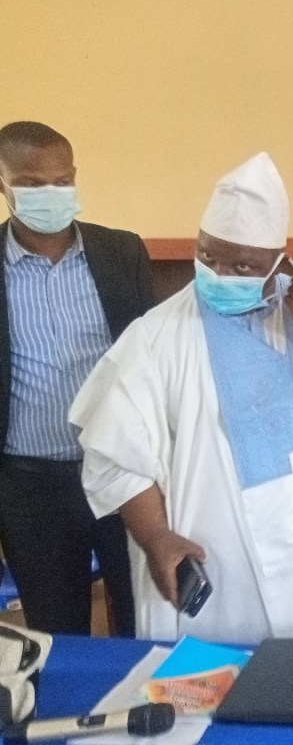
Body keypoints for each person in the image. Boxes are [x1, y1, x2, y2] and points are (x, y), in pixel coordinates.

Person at [69, 152, 293, 644]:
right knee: (223, 678)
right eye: (208, 257)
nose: (220, 273)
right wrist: (156, 537)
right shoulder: (156, 337)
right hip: (219, 561)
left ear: (279, 261)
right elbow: (116, 457)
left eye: (243, 265)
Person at [0, 121, 153, 637]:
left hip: (123, 470)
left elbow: (153, 359)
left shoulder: (121, 253)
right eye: (32, 183)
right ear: (4, 183)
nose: (51, 193)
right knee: (56, 632)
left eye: (62, 181)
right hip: (29, 487)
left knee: (142, 619)